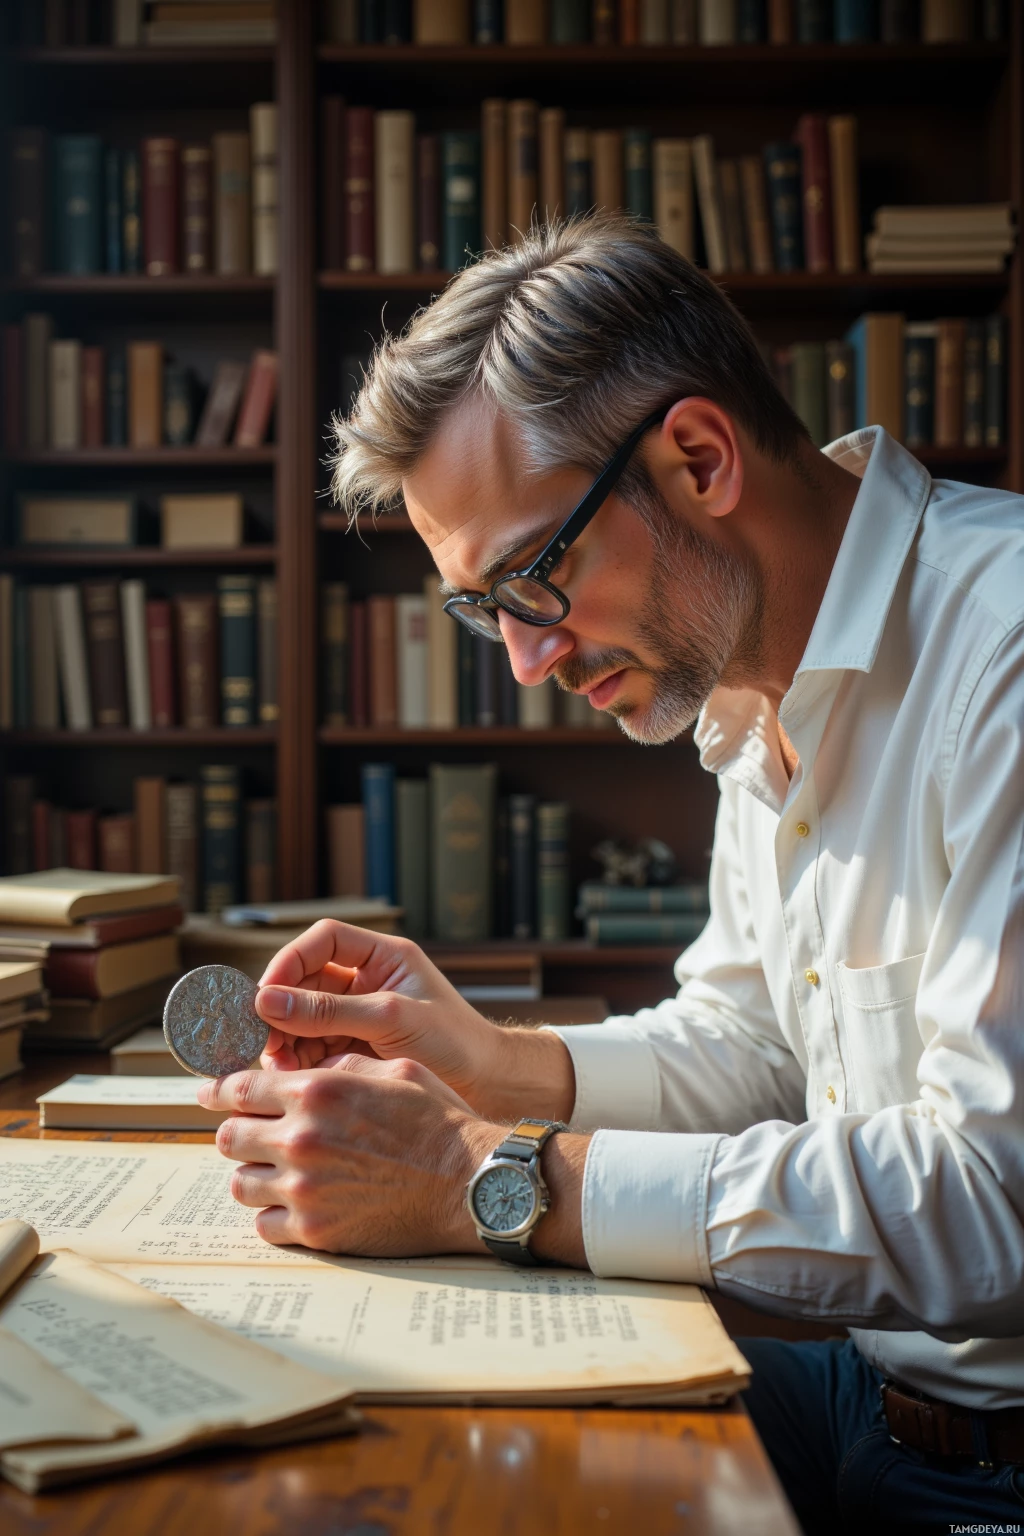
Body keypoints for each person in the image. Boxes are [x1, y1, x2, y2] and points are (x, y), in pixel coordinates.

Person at [197, 218, 1024, 1531]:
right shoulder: (755, 683)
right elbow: (752, 1044)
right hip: (864, 1388)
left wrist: (486, 1177)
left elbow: (996, 1211)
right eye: (485, 608)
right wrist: (479, 1058)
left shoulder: (1006, 653)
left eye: (533, 574)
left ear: (698, 459)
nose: (525, 659)